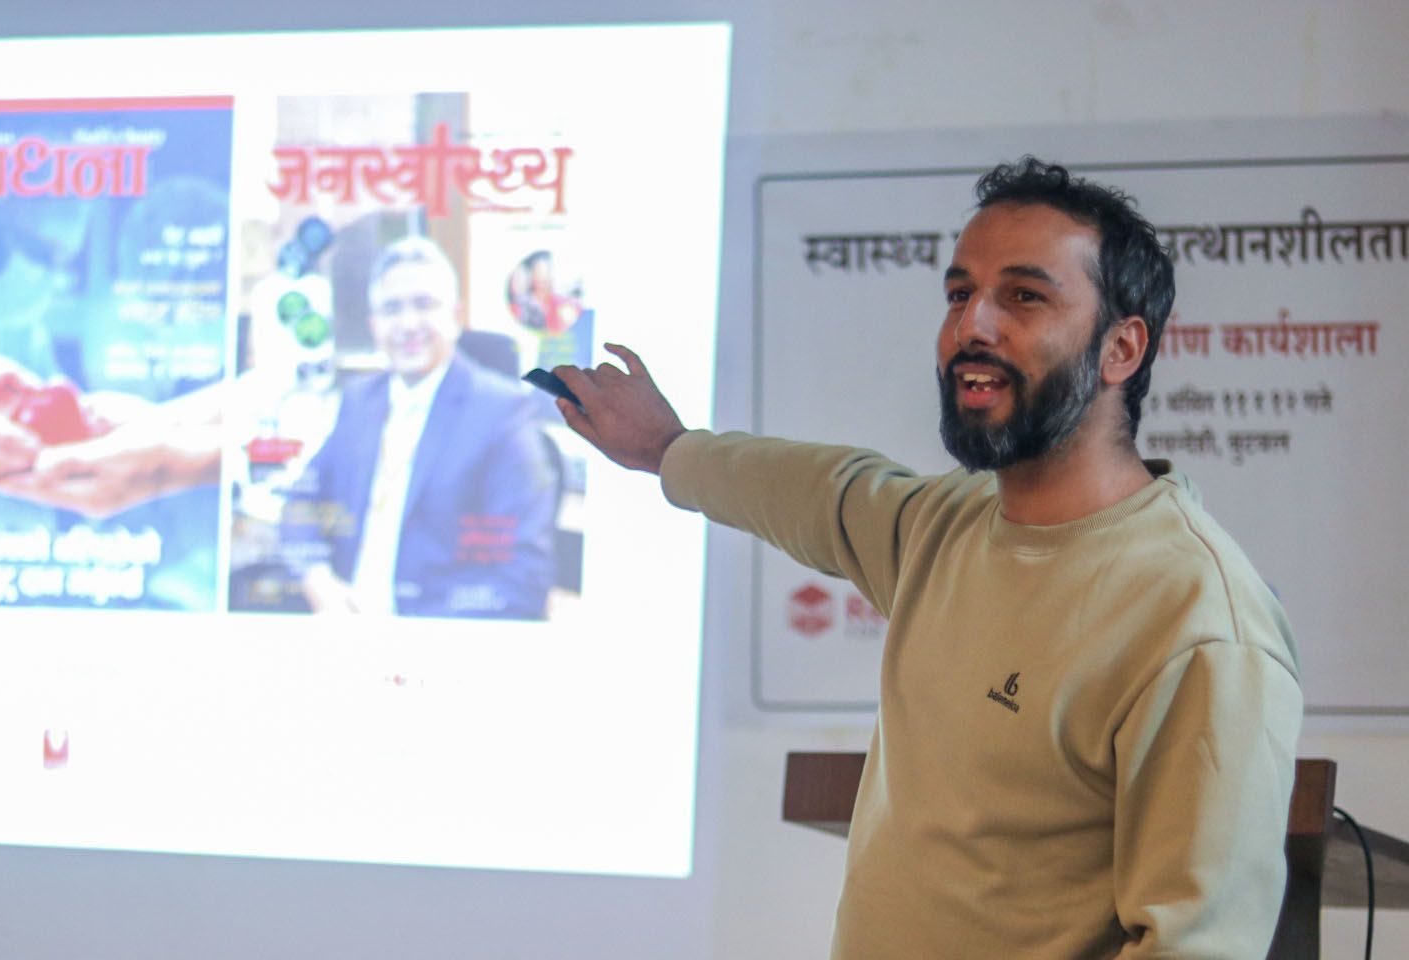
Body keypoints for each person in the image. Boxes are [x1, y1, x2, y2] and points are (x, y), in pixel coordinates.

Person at [552, 158, 1303, 958]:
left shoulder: (1196, 616)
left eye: (1023, 295)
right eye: (958, 294)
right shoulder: (948, 527)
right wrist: (669, 450)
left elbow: (1196, 945)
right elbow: (824, 492)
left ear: (1121, 349)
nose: (971, 326)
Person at [283, 235, 560, 619]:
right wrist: (318, 580)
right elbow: (302, 503)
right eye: (392, 309)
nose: (408, 324)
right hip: (340, 624)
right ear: (374, 324)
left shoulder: (503, 414)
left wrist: (401, 628)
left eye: (424, 304)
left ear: (456, 316)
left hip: (435, 642)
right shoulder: (359, 400)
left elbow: (522, 581)